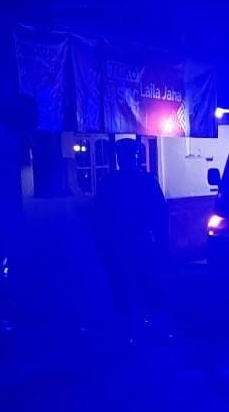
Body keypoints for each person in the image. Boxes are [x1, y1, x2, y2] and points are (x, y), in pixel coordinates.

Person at [94, 139, 169, 343]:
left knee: (126, 286)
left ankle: (132, 330)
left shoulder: (109, 183)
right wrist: (162, 241)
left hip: (122, 243)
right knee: (142, 284)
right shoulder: (145, 181)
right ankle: (146, 328)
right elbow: (160, 215)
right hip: (136, 241)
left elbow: (99, 217)